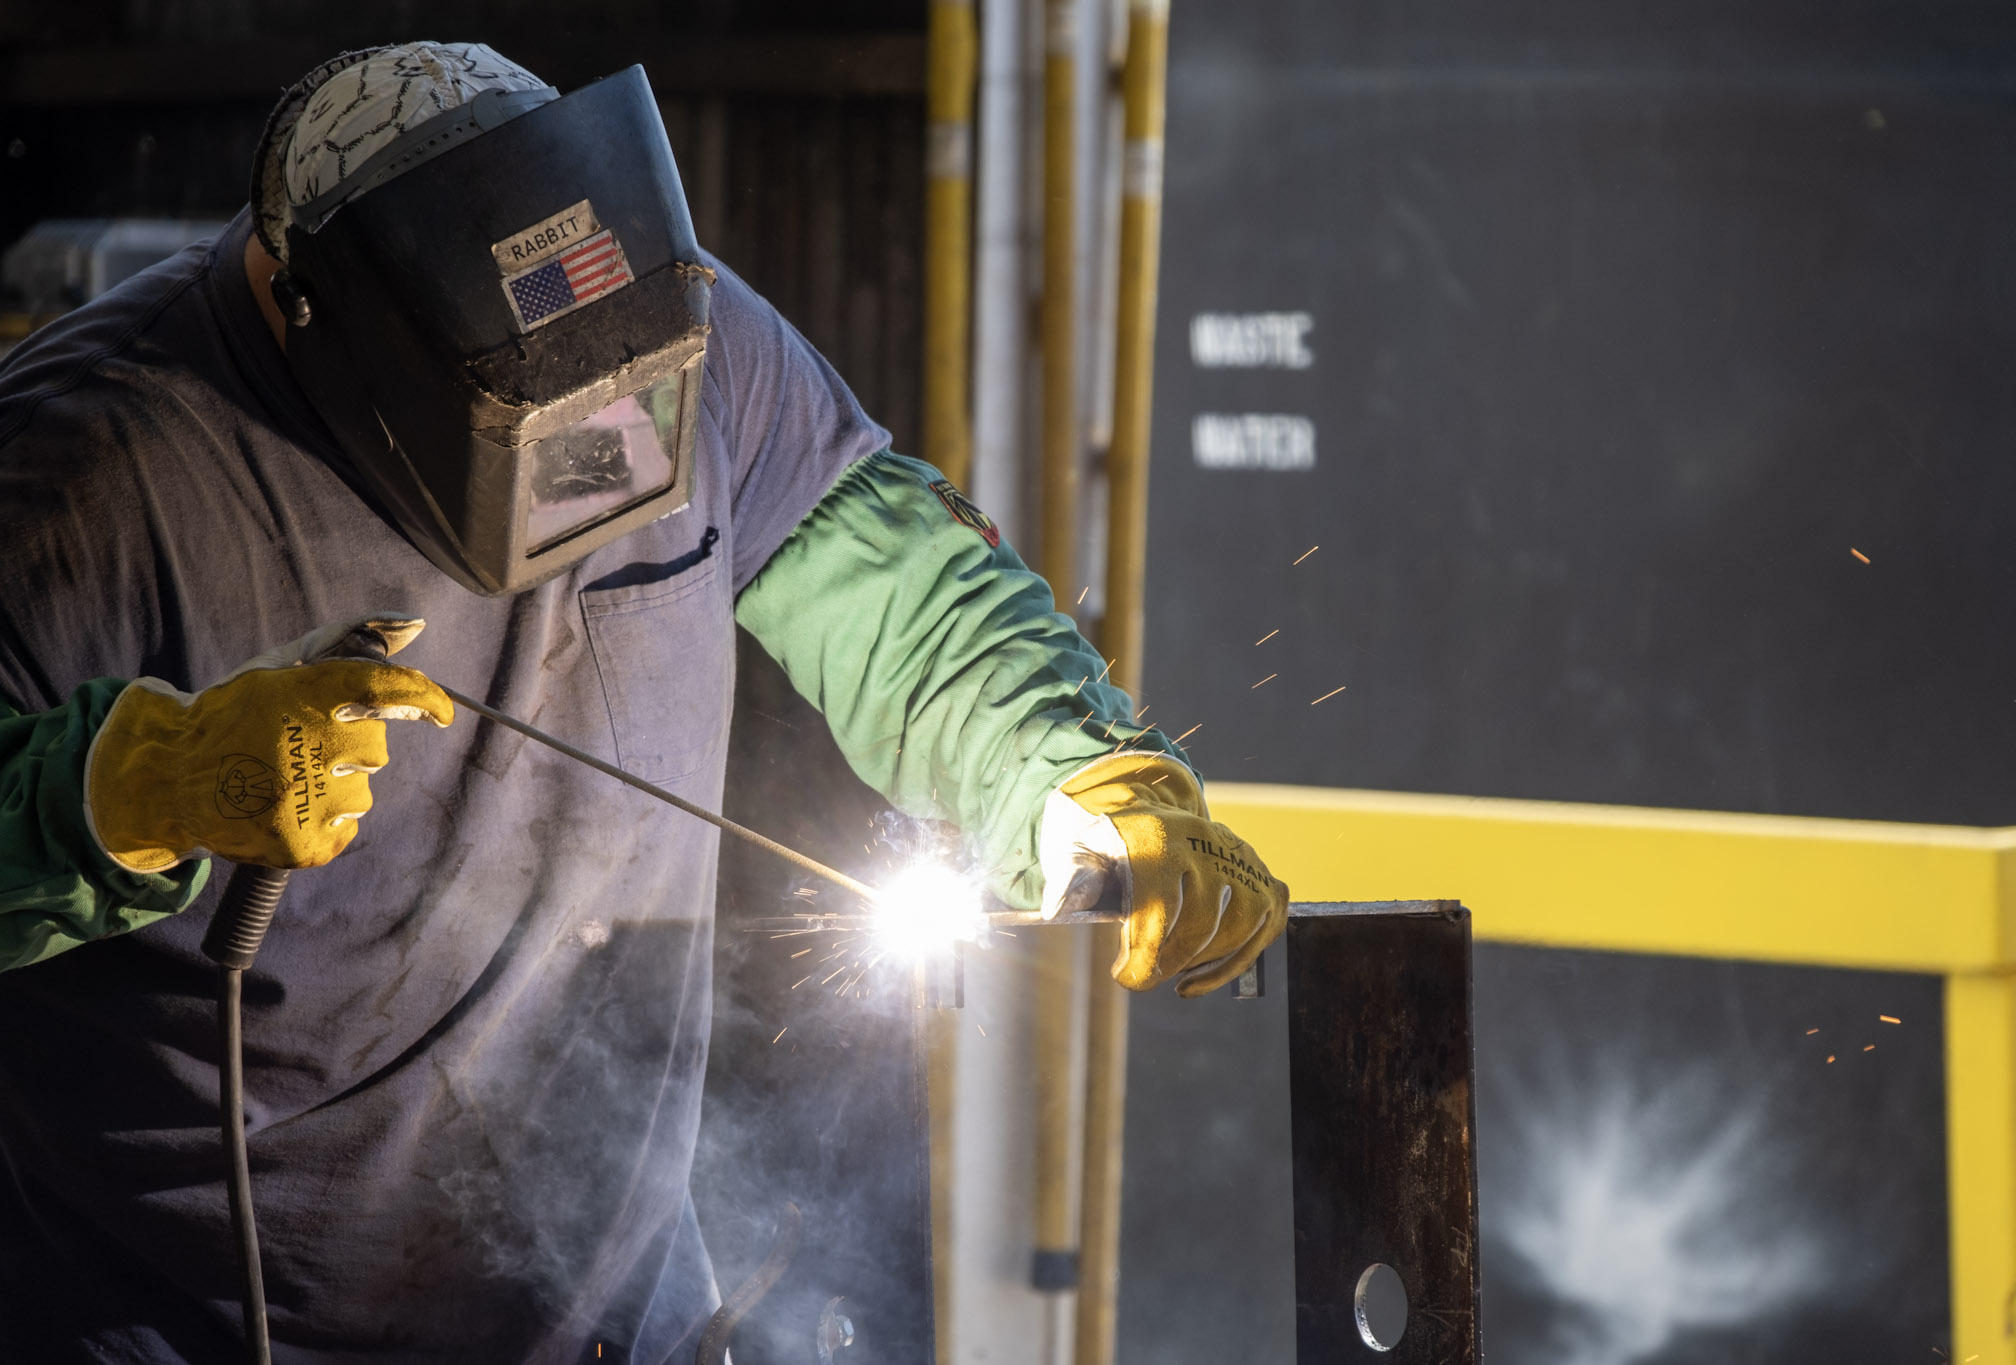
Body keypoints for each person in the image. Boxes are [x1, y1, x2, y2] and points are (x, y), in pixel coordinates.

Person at [0, 42, 1287, 1363]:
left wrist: (1074, 773)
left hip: (623, 1316)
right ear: (316, 314)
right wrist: (122, 792)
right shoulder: (81, 474)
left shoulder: (681, 330)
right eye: (539, 434)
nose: (615, 459)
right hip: (206, 1329)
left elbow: (900, 588)